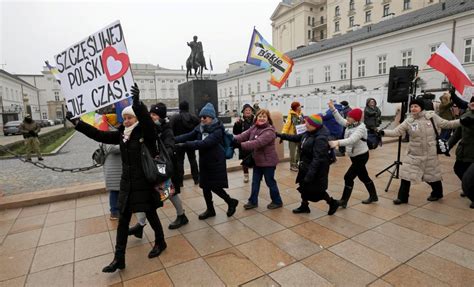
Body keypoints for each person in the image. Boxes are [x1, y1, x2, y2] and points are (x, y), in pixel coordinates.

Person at [67, 84, 167, 273]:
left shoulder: (146, 133)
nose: (126, 121)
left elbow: (147, 122)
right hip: (127, 182)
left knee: (151, 214)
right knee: (123, 220)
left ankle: (160, 242)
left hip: (144, 182)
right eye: (125, 118)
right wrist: (78, 124)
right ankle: (118, 258)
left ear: (136, 118)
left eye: (129, 118)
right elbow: (100, 135)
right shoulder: (122, 134)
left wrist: (137, 104)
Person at [379, 98, 460, 205]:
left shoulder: (431, 117)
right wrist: (382, 132)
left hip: (430, 153)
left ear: (421, 107)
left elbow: (447, 124)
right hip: (413, 153)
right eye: (411, 107)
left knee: (432, 176)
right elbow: (396, 132)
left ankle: (437, 193)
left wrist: (462, 121)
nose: (413, 108)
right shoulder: (409, 121)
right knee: (406, 175)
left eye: (416, 106)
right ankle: (402, 198)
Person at [128, 103, 188, 237]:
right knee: (144, 196)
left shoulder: (166, 129)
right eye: (150, 114)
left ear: (161, 117)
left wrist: (159, 156)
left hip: (161, 167)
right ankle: (141, 224)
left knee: (169, 192)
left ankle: (181, 215)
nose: (151, 116)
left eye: (154, 115)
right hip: (150, 167)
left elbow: (169, 146)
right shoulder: (148, 128)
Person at [175, 103, 239, 219]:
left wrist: (184, 146)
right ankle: (210, 210)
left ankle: (230, 201)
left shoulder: (217, 130)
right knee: (205, 186)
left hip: (215, 162)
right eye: (201, 117)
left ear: (212, 118)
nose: (202, 119)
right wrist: (173, 139)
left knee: (215, 186)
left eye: (205, 117)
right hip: (205, 162)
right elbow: (189, 135)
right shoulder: (200, 127)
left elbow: (205, 143)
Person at [277, 114, 339, 215]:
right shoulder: (309, 133)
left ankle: (332, 203)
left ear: (315, 125)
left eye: (308, 123)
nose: (305, 125)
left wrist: (310, 175)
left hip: (316, 169)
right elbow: (296, 138)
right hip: (305, 166)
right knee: (303, 187)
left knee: (317, 191)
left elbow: (317, 159)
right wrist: (280, 135)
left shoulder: (321, 138)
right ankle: (304, 206)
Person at [327, 102, 378, 207]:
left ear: (356, 119)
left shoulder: (361, 128)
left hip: (361, 156)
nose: (347, 118)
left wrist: (337, 142)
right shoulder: (350, 124)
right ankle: (374, 196)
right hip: (354, 156)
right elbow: (340, 120)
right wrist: (333, 109)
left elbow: (351, 140)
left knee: (348, 177)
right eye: (348, 116)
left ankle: (343, 201)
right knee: (364, 177)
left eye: (350, 117)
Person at [234, 109, 283, 210]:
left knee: (270, 182)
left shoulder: (269, 131)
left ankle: (277, 201)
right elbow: (244, 135)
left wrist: (240, 145)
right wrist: (233, 139)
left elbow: (257, 142)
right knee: (255, 182)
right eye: (260, 116)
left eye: (264, 117)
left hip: (268, 162)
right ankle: (252, 201)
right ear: (256, 117)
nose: (261, 118)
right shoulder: (254, 127)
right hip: (258, 161)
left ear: (268, 119)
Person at [448, 96, 474, 202]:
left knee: (471, 174)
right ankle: (468, 186)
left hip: (473, 151)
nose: (473, 103)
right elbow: (457, 134)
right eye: (472, 101)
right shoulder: (465, 115)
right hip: (463, 150)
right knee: (458, 169)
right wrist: (447, 146)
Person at [169, 101, 200, 186]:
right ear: (188, 107)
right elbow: (199, 128)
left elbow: (170, 129)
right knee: (193, 160)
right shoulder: (194, 118)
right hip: (191, 143)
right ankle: (196, 179)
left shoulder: (175, 118)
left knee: (179, 162)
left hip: (178, 143)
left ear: (180, 108)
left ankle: (180, 182)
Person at [101, 113, 122, 220]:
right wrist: (125, 144)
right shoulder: (107, 132)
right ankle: (114, 211)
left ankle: (123, 208)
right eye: (118, 121)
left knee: (122, 188)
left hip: (120, 166)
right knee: (114, 190)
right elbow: (111, 148)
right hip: (113, 167)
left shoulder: (118, 131)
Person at [233, 104, 255, 183]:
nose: (248, 112)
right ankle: (246, 176)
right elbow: (235, 132)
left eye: (249, 110)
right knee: (245, 161)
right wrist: (236, 125)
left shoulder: (255, 120)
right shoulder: (240, 121)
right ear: (243, 112)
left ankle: (257, 175)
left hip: (253, 143)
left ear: (251, 111)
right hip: (244, 144)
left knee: (256, 159)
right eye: (246, 110)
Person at [282, 101, 304, 171]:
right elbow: (287, 125)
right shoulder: (291, 115)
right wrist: (283, 134)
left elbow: (303, 123)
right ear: (296, 107)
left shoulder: (301, 114)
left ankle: (297, 163)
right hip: (292, 136)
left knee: (300, 150)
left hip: (300, 135)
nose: (300, 107)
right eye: (299, 106)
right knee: (292, 151)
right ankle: (292, 165)